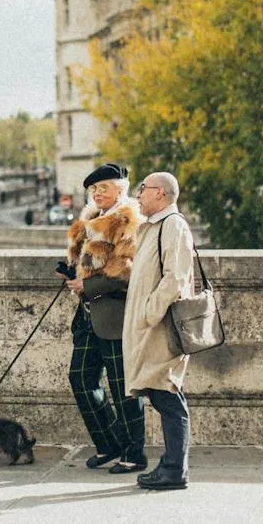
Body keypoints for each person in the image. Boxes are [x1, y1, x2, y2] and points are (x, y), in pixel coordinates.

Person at [62, 162, 148, 473]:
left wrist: (88, 283)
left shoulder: (128, 220)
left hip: (115, 314)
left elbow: (128, 271)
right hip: (88, 314)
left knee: (123, 386)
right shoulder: (92, 219)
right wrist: (73, 272)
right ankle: (109, 443)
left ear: (120, 190)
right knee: (81, 379)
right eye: (94, 189)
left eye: (104, 188)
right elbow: (91, 263)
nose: (97, 193)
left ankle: (134, 453)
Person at [123, 170, 196, 492]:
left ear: (161, 194)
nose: (138, 195)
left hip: (161, 327)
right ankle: (171, 465)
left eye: (144, 189)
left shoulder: (173, 225)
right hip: (151, 326)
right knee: (161, 391)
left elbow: (175, 277)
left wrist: (149, 313)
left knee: (167, 393)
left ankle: (174, 469)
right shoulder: (154, 227)